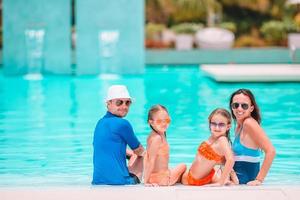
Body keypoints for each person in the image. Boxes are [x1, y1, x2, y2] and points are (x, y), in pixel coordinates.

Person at [92, 85, 145, 185]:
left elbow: (107, 147)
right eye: (119, 102)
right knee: (143, 155)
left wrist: (130, 155)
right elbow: (140, 151)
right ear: (108, 104)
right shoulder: (123, 124)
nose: (124, 106)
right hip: (121, 182)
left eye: (127, 102)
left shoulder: (100, 123)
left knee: (131, 154)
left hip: (98, 181)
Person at [229, 89, 276, 186]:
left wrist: (259, 180)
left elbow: (271, 151)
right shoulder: (239, 125)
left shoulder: (249, 123)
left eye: (244, 106)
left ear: (251, 108)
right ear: (232, 107)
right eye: (235, 105)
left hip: (243, 181)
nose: (239, 109)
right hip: (236, 180)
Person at [181, 108, 238, 186]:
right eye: (213, 124)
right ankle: (229, 179)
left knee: (180, 168)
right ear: (209, 123)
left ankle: (226, 180)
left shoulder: (222, 139)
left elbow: (230, 159)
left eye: (221, 124)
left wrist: (221, 182)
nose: (217, 128)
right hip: (194, 177)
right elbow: (223, 160)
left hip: (196, 181)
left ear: (228, 127)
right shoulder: (213, 137)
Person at [143, 104, 186, 186]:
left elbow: (147, 156)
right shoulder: (157, 138)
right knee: (183, 166)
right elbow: (150, 160)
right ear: (151, 122)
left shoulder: (156, 134)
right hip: (163, 180)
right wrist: (146, 181)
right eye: (159, 121)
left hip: (158, 176)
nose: (164, 124)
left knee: (175, 171)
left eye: (167, 120)